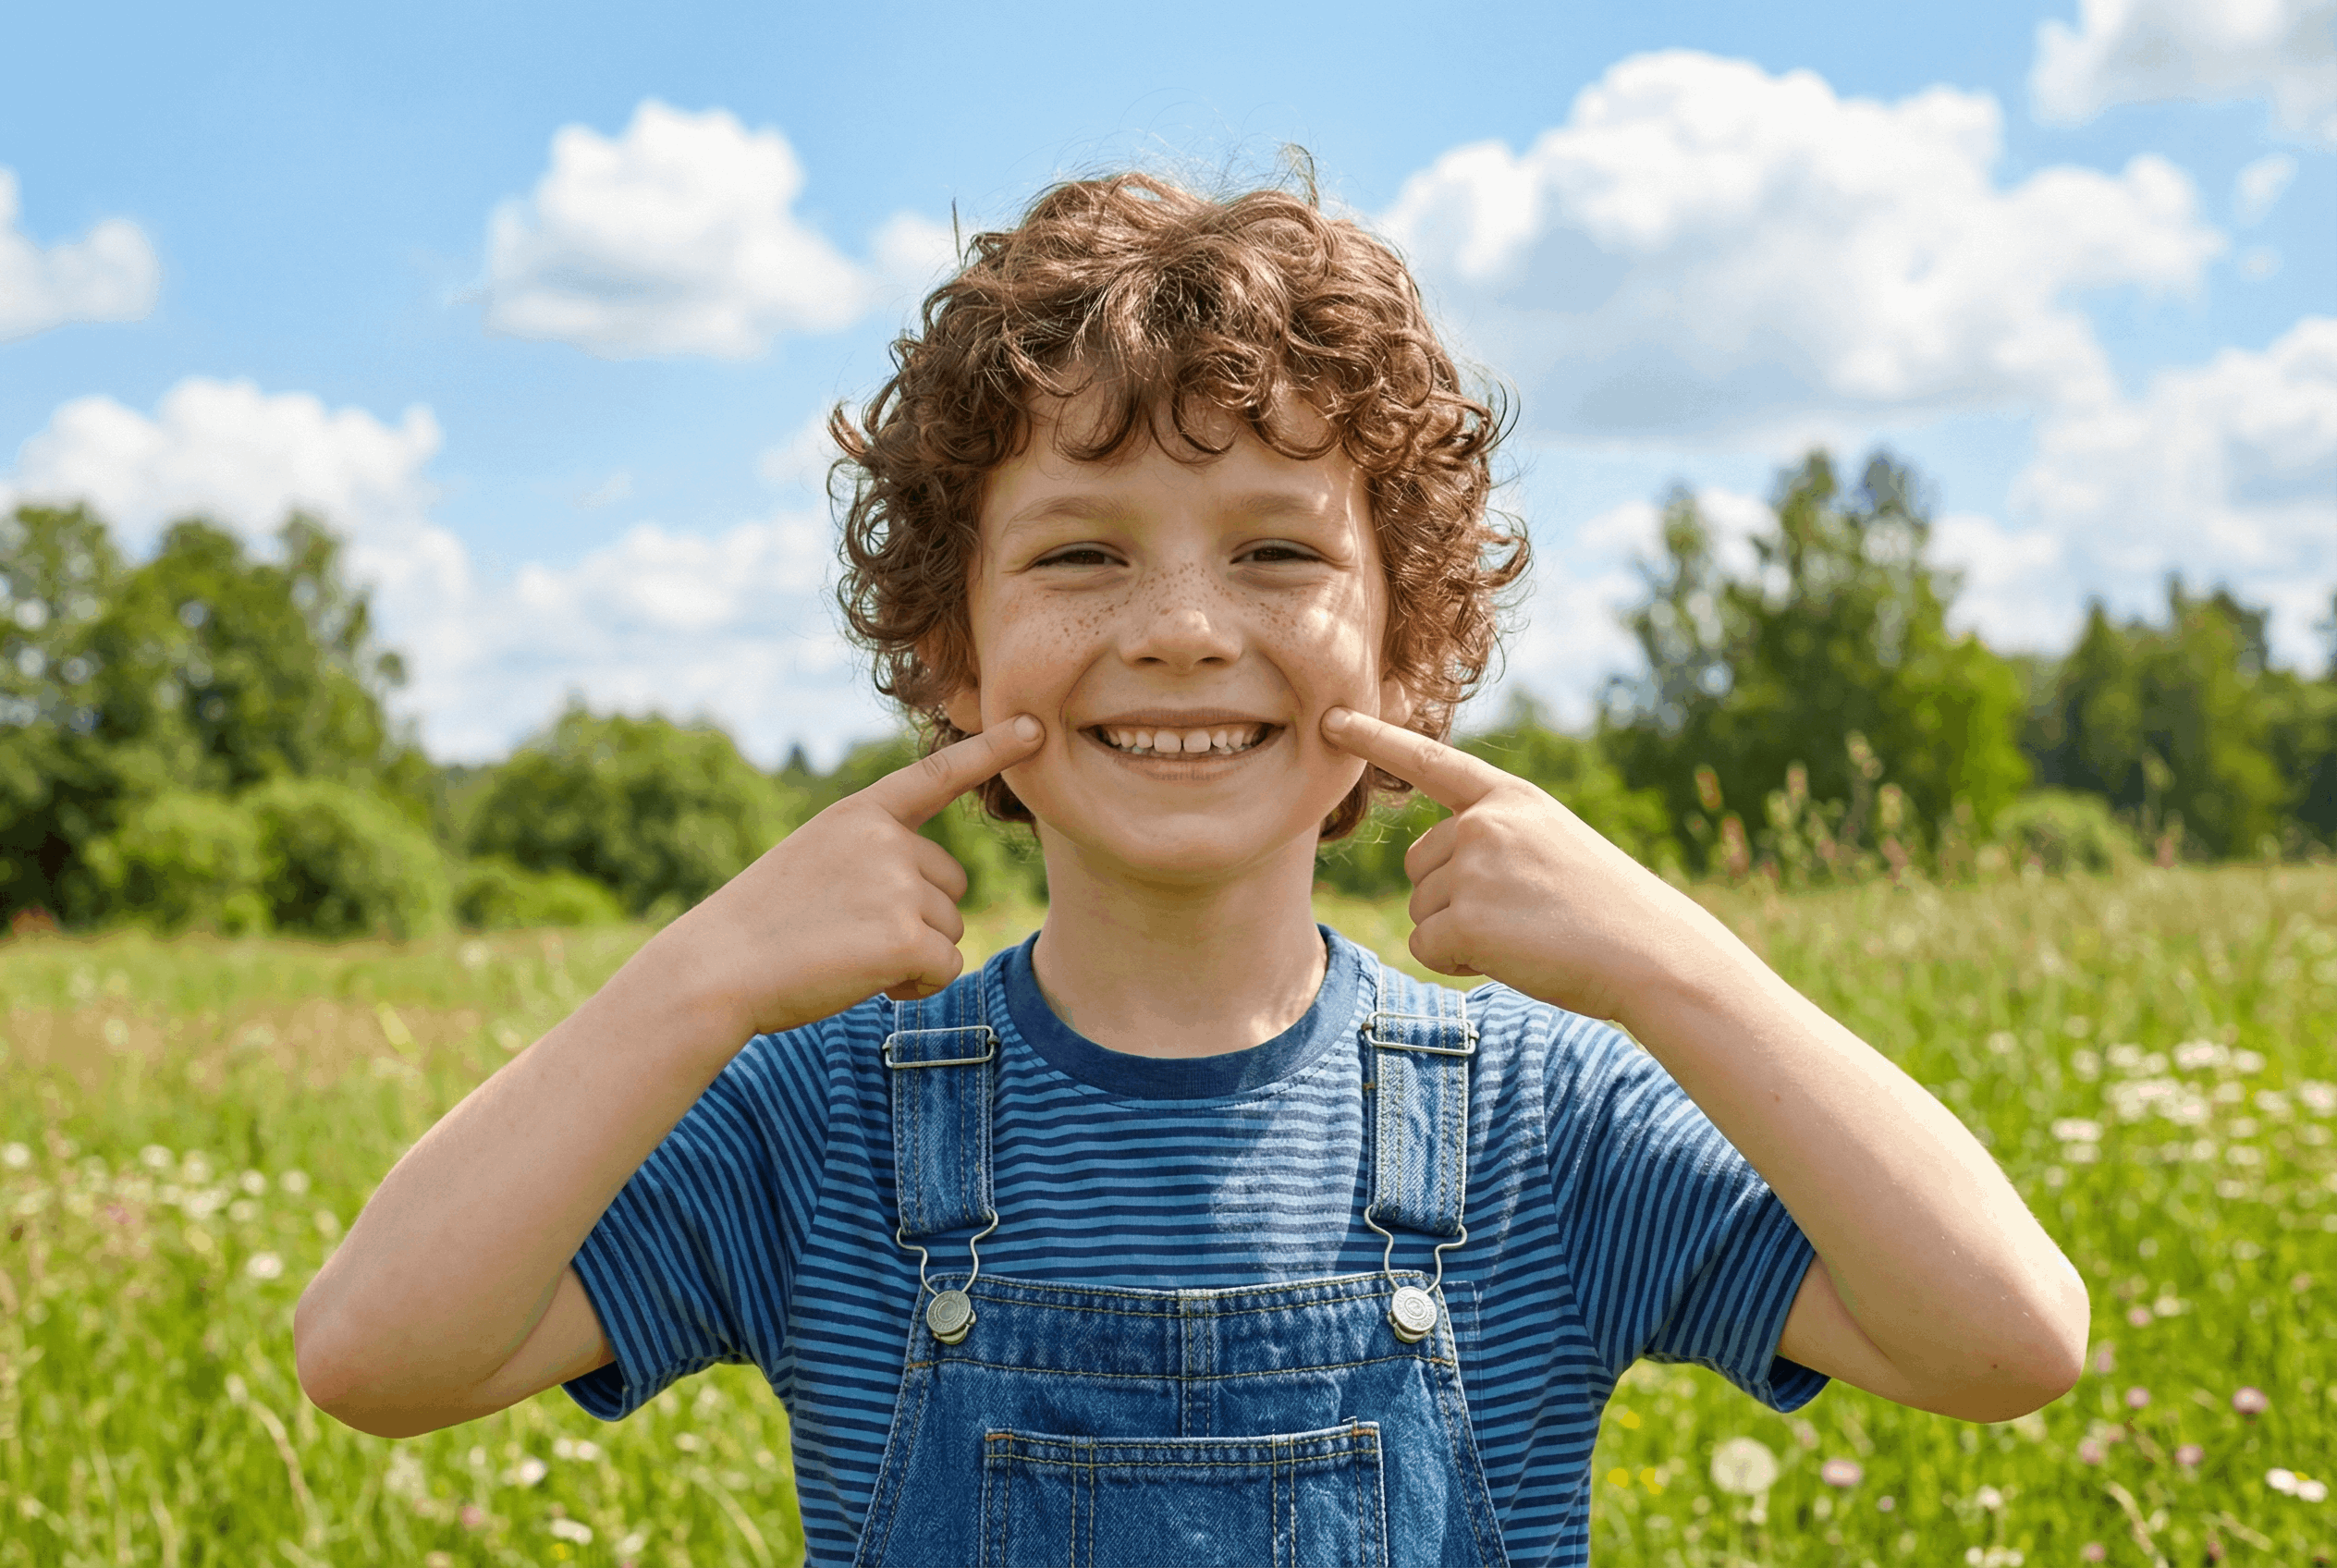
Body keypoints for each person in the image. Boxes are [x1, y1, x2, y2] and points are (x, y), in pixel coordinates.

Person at [293, 171, 2087, 1567]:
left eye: (1272, 549)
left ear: (1408, 650)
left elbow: (2006, 1337)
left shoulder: (1544, 1116)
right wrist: (698, 977)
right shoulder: (818, 1123)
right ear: (948, 651)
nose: (1176, 628)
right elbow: (377, 1356)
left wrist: (1672, 963)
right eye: (1079, 552)